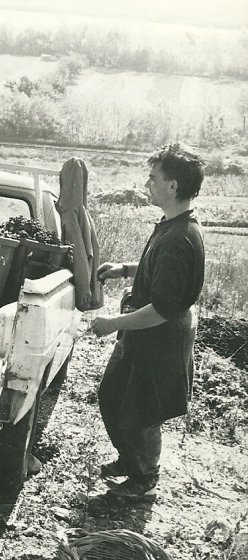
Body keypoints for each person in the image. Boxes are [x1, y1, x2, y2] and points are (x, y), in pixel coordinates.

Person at [91, 143, 205, 500]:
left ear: (172, 186)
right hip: (143, 334)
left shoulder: (180, 237)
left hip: (159, 337)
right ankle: (130, 460)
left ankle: (143, 481)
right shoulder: (172, 226)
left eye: (154, 177)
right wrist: (126, 269)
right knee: (112, 396)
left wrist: (112, 322)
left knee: (142, 412)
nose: (147, 182)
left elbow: (162, 309)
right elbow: (160, 273)